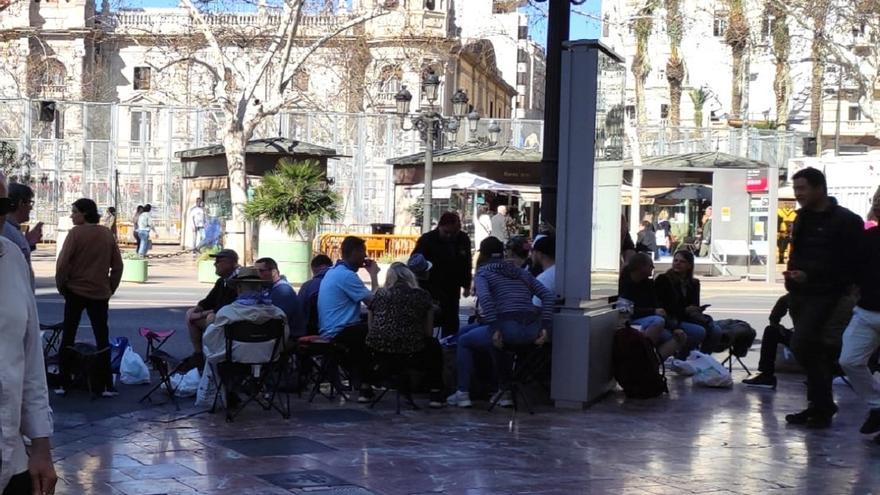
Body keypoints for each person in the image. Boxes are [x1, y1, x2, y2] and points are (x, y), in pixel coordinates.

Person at [784, 167, 864, 429]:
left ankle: (823, 405)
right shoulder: (801, 218)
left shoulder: (846, 221)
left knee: (804, 345)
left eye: (802, 188)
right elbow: (797, 251)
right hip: (800, 295)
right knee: (812, 349)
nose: (798, 194)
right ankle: (819, 406)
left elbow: (851, 263)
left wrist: (812, 275)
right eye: (795, 189)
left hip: (829, 294)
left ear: (819, 188)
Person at [0, 172, 57, 495]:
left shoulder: (12, 260)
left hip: (11, 459)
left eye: (2, 205)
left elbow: (31, 363)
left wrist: (41, 445)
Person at [447, 237, 554, 408]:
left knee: (464, 341)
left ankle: (463, 393)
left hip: (507, 327)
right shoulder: (520, 272)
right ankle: (504, 392)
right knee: (495, 344)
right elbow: (547, 296)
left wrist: (495, 328)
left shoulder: (484, 273)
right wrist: (545, 327)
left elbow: (486, 299)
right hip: (532, 330)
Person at [54, 198, 124, 397]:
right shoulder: (106, 234)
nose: (71, 215)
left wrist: (62, 285)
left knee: (68, 334)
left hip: (75, 291)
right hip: (100, 293)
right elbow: (117, 266)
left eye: (74, 211)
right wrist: (111, 287)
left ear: (84, 213)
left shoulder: (75, 234)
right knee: (102, 336)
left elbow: (63, 263)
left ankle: (64, 382)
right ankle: (106, 384)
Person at [366, 263, 445, 408]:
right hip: (411, 350)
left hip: (381, 350)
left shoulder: (379, 294)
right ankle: (435, 393)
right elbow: (428, 332)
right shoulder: (422, 296)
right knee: (433, 345)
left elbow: (371, 328)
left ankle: (365, 388)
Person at [317, 236, 380, 401]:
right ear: (354, 253)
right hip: (338, 331)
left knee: (366, 330)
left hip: (330, 328)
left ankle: (364, 381)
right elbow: (374, 302)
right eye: (363, 253)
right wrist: (374, 275)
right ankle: (366, 385)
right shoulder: (346, 276)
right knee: (376, 333)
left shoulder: (334, 272)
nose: (365, 257)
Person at [839, 192, 880, 444]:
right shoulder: (868, 238)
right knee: (849, 360)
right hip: (866, 312)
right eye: (877, 202)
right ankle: (877, 405)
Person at [202, 267, 290, 367]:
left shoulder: (226, 313)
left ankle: (210, 381)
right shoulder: (278, 314)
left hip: (234, 359)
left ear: (238, 288)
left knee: (209, 346)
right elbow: (283, 342)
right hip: (268, 358)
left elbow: (212, 342)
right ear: (260, 288)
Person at [412, 212, 473, 337]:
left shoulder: (462, 238)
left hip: (452, 284)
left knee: (451, 319)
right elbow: (415, 261)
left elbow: (466, 262)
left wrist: (466, 284)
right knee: (427, 317)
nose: (449, 236)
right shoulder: (427, 239)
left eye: (453, 233)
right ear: (439, 226)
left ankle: (449, 345)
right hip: (430, 284)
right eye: (446, 232)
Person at [619, 253, 686, 360]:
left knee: (677, 337)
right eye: (650, 265)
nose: (653, 268)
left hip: (645, 319)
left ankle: (653, 362)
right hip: (628, 320)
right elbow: (624, 311)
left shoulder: (648, 284)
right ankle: (642, 357)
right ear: (641, 267)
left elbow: (658, 307)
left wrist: (675, 328)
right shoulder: (623, 284)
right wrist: (652, 311)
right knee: (657, 321)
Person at [185, 249, 240, 371]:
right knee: (190, 313)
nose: (215, 264)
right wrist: (197, 309)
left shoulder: (237, 281)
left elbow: (227, 306)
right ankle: (198, 355)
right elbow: (208, 301)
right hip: (221, 315)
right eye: (215, 261)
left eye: (219, 261)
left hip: (232, 321)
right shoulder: (222, 281)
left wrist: (201, 314)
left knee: (211, 318)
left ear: (232, 263)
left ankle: (214, 358)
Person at [654, 250, 708, 357]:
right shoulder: (664, 279)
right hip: (672, 319)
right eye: (675, 260)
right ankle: (682, 357)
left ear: (689, 265)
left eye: (682, 262)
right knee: (699, 331)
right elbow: (663, 305)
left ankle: (703, 360)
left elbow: (694, 303)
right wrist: (685, 310)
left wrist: (696, 309)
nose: (677, 263)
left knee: (715, 330)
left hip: (688, 317)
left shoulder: (694, 283)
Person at [742, 294, 792, 389]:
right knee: (771, 331)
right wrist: (776, 324)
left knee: (771, 331)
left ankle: (766, 375)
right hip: (804, 337)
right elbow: (775, 315)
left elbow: (775, 316)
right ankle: (766, 375)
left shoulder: (796, 295)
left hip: (817, 338)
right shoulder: (794, 295)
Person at [2, 183, 42, 285]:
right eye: (30, 203)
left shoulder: (13, 229)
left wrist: (29, 244)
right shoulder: (6, 230)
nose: (31, 208)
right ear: (21, 203)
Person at [256, 257, 305, 338]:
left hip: (290, 339)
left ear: (274, 272)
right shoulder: (270, 288)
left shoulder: (282, 290)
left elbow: (275, 319)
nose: (257, 275)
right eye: (255, 271)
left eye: (261, 271)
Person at [299, 254, 333, 334]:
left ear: (313, 269)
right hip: (337, 331)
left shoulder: (307, 286)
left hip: (313, 331)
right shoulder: (340, 282)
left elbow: (300, 310)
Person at [530, 235, 556, 306]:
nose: (531, 254)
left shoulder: (544, 278)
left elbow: (536, 306)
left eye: (533, 251)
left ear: (539, 254)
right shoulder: (562, 273)